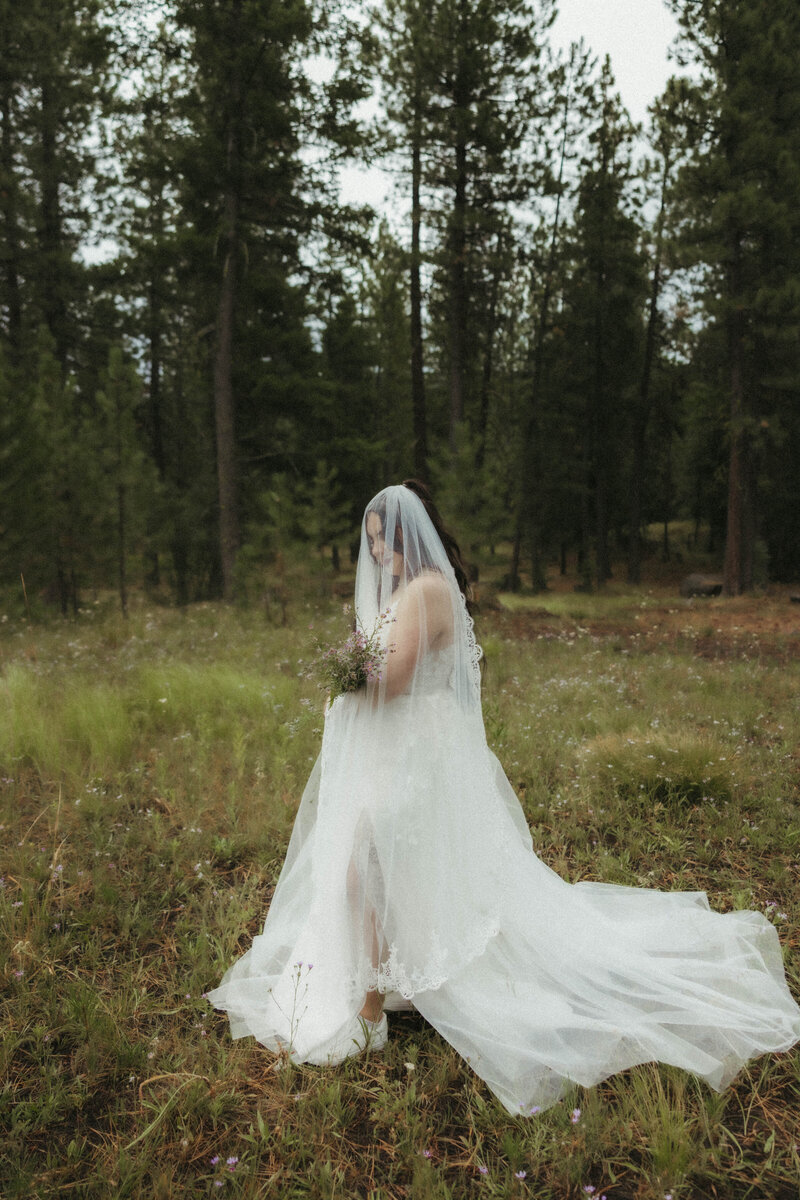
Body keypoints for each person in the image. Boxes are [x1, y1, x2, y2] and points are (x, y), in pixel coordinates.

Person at [206, 482, 800, 1116]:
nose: (376, 551)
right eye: (371, 540)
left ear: (410, 533)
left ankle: (370, 1011)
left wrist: (348, 681)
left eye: (382, 538)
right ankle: (382, 992)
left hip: (412, 751)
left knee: (367, 870)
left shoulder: (426, 592)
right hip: (404, 748)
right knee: (378, 870)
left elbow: (398, 677)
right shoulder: (417, 590)